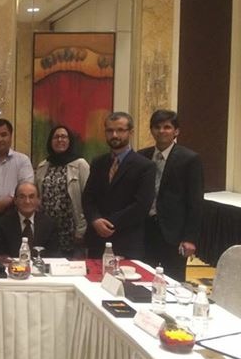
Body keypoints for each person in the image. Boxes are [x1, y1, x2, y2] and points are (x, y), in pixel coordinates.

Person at [139, 109, 204, 281]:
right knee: (144, 278)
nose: (161, 131)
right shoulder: (142, 156)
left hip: (173, 233)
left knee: (173, 282)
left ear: (176, 131)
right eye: (157, 127)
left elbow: (195, 202)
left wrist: (190, 238)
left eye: (167, 127)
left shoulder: (190, 159)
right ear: (151, 130)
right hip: (145, 229)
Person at [82, 112, 155, 260]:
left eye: (120, 130)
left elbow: (141, 205)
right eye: (110, 130)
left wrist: (110, 223)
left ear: (131, 132)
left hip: (126, 240)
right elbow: (88, 197)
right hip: (97, 240)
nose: (114, 135)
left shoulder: (145, 166)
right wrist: (95, 220)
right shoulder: (98, 162)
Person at [35, 125, 90, 257]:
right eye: (56, 137)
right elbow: (37, 197)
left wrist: (81, 229)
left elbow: (88, 198)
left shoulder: (80, 164)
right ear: (50, 141)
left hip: (71, 228)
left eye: (64, 137)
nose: (60, 140)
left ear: (70, 140)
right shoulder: (43, 166)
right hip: (48, 229)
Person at [0, 182, 58, 257]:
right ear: (15, 200)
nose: (27, 201)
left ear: (38, 200)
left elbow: (54, 256)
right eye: (22, 197)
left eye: (31, 197)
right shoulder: (2, 224)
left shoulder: (49, 224)